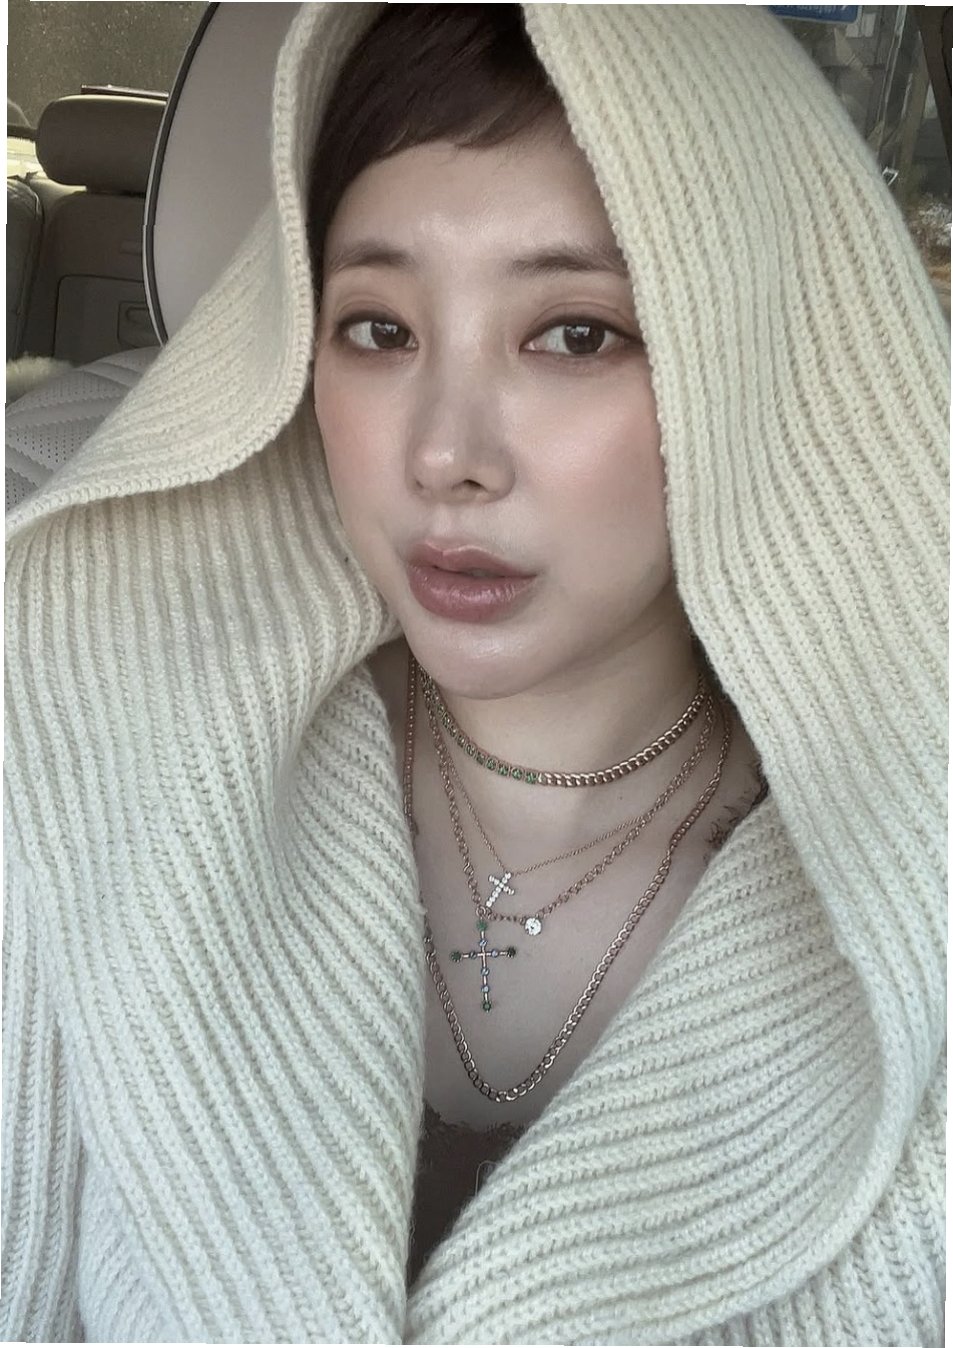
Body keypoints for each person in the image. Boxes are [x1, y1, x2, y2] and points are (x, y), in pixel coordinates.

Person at [2, 4, 946, 1345]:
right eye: (379, 330)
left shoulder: (912, 886)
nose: (444, 454)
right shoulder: (93, 748)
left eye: (574, 334)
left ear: (750, 363)